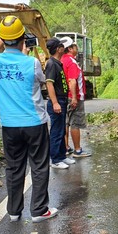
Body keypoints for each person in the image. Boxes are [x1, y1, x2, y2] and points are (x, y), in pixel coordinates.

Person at [0, 15, 58, 222]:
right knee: (39, 166)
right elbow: (41, 81)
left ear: (3, 38)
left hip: (9, 125)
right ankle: (38, 210)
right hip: (34, 123)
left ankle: (14, 211)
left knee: (14, 168)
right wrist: (23, 50)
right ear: (21, 39)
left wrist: (4, 37)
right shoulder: (32, 63)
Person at [45, 37, 77, 169]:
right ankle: (55, 159)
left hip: (62, 100)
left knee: (61, 130)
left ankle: (62, 156)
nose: (64, 48)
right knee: (56, 131)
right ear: (58, 49)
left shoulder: (58, 63)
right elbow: (49, 83)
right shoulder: (51, 64)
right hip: (57, 101)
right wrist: (55, 102)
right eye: (61, 46)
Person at [61, 37, 92, 158]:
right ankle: (77, 150)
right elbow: (72, 81)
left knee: (66, 123)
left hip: (64, 96)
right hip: (74, 96)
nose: (76, 48)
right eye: (74, 46)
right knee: (75, 123)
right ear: (70, 49)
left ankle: (66, 147)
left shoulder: (61, 60)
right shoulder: (71, 62)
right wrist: (74, 97)